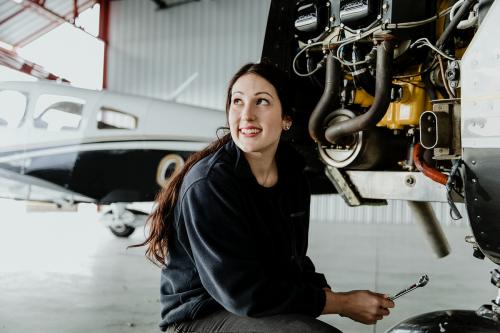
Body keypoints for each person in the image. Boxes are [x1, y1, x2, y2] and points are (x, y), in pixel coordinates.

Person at [137, 62, 395, 332]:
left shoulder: (292, 175)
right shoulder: (210, 183)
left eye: (262, 102)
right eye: (238, 102)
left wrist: (330, 295)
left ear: (286, 118)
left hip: (248, 308)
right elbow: (242, 294)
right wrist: (341, 303)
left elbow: (293, 260)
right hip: (199, 315)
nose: (246, 115)